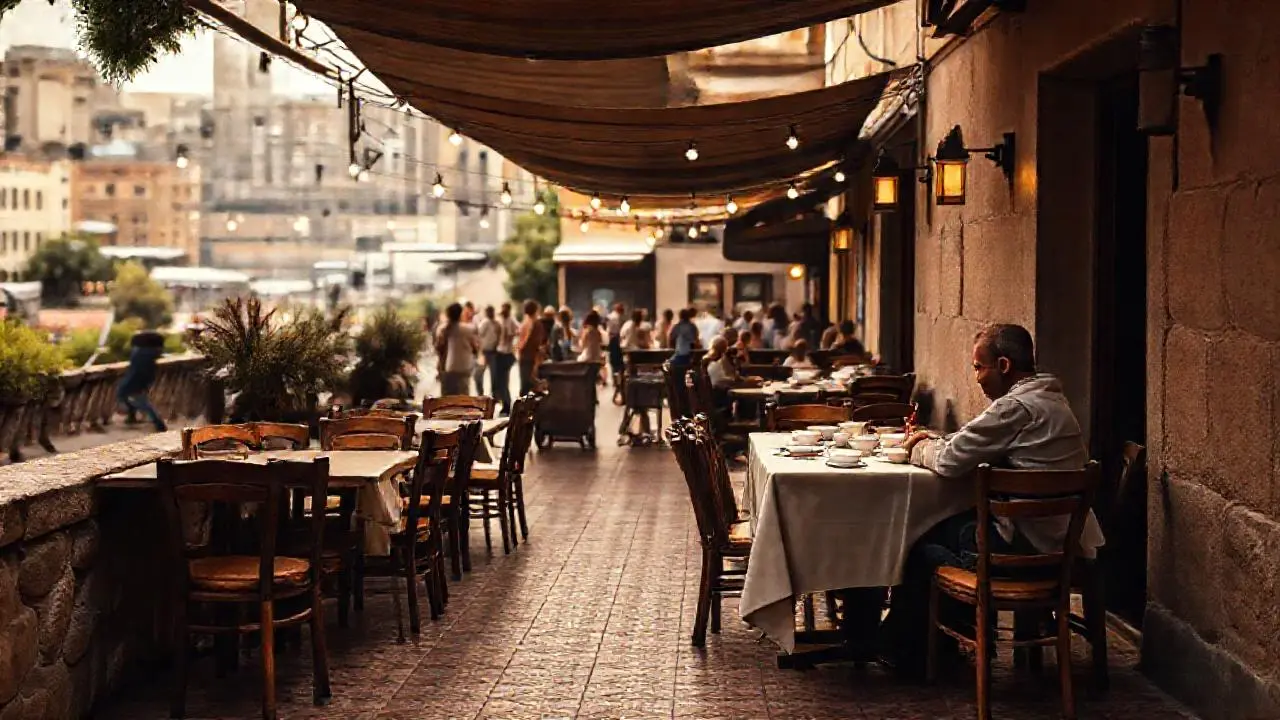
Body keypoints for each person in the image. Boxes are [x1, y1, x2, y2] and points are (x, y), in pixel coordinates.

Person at [879, 323, 1105, 676]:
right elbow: (971, 441)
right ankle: (940, 641)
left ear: (1003, 366)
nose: (978, 378)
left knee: (919, 543)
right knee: (949, 527)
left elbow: (952, 460)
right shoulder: (1051, 398)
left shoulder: (1016, 407)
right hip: (1063, 544)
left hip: (1027, 549)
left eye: (979, 367)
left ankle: (912, 653)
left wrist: (919, 446)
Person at [117, 330, 167, 432]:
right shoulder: (152, 353)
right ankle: (132, 416)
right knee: (134, 397)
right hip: (145, 377)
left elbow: (135, 368)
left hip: (136, 378)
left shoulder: (140, 352)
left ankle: (158, 423)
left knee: (138, 400)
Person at [436, 302, 480, 396]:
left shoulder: (443, 329)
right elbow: (475, 348)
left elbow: (439, 350)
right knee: (463, 399)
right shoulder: (468, 329)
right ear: (461, 313)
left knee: (448, 399)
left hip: (448, 367)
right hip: (464, 367)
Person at [492, 302, 519, 415]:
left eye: (504, 308)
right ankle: (504, 404)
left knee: (503, 382)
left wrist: (511, 337)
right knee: (499, 382)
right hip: (500, 352)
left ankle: (507, 406)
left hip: (506, 354)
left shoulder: (511, 320)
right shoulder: (501, 319)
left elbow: (518, 331)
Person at [516, 300, 547, 397]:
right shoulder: (536, 323)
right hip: (532, 356)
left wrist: (518, 349)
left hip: (526, 356)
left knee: (526, 384)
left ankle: (523, 408)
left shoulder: (527, 323)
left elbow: (522, 341)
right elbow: (539, 341)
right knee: (529, 383)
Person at [668, 307, 701, 380]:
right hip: (690, 358)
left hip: (679, 357)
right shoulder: (692, 326)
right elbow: (696, 341)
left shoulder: (677, 326)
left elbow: (671, 339)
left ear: (680, 316)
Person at [476, 305, 500, 395]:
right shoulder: (486, 322)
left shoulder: (495, 323)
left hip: (492, 351)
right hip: (485, 351)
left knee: (493, 375)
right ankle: (481, 394)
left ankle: (493, 395)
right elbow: (479, 335)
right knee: (480, 374)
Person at [606, 302, 626, 384]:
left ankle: (615, 380)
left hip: (611, 339)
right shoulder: (617, 317)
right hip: (615, 339)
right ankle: (619, 381)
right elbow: (618, 331)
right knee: (618, 361)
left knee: (613, 361)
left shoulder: (610, 316)